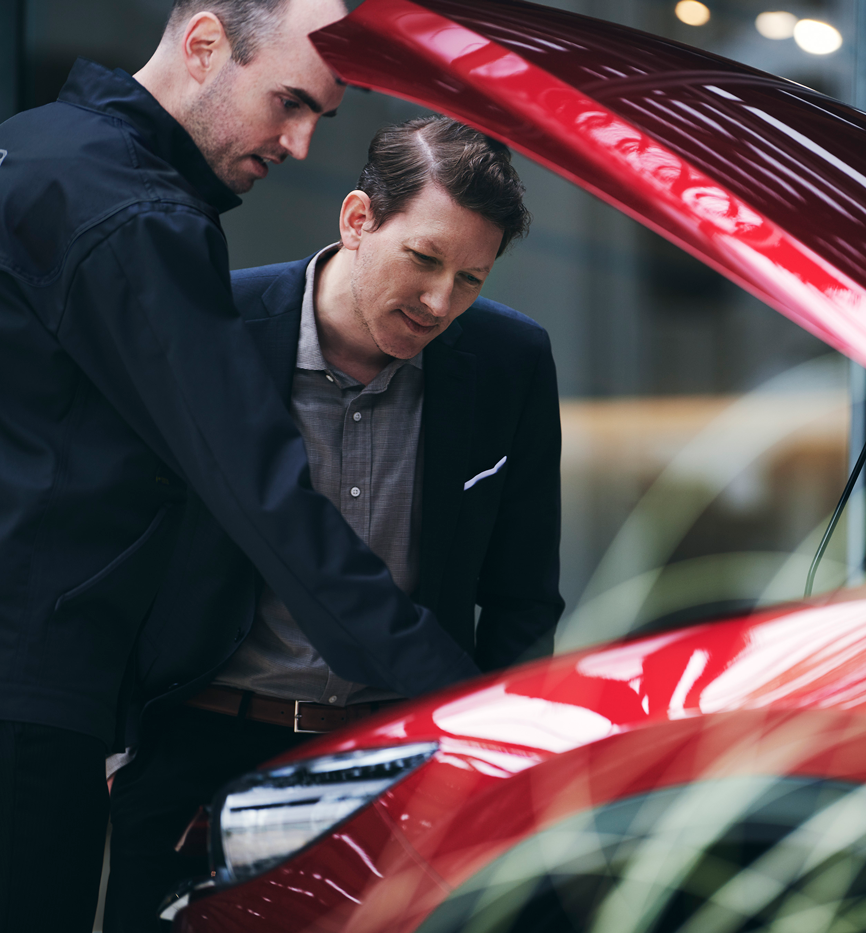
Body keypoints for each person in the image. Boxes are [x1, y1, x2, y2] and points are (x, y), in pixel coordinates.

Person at [0, 2, 485, 930]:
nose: (296, 143)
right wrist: (466, 698)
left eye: (320, 115)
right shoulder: (136, 216)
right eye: (288, 101)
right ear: (204, 44)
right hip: (12, 693)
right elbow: (261, 491)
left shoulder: (15, 152)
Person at [103, 115, 563, 929]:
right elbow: (116, 537)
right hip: (200, 751)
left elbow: (524, 592)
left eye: (470, 280)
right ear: (357, 219)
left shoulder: (510, 363)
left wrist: (491, 760)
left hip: (401, 761)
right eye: (424, 259)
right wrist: (116, 744)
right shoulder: (217, 325)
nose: (438, 302)